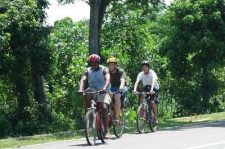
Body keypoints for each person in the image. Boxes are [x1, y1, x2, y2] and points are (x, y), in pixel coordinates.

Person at [77, 54, 111, 137]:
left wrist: (104, 88)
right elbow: (83, 79)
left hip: (103, 90)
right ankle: (90, 113)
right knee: (86, 92)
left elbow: (107, 78)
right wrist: (80, 89)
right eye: (92, 63)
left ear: (98, 62)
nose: (94, 64)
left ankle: (106, 130)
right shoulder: (87, 71)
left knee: (103, 107)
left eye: (95, 62)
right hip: (92, 89)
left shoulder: (104, 69)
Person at [106, 57, 127, 124]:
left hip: (121, 87)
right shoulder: (106, 72)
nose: (111, 66)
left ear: (115, 65)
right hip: (111, 87)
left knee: (117, 96)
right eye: (109, 65)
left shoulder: (120, 71)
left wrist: (120, 89)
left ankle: (117, 118)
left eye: (112, 65)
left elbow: (122, 80)